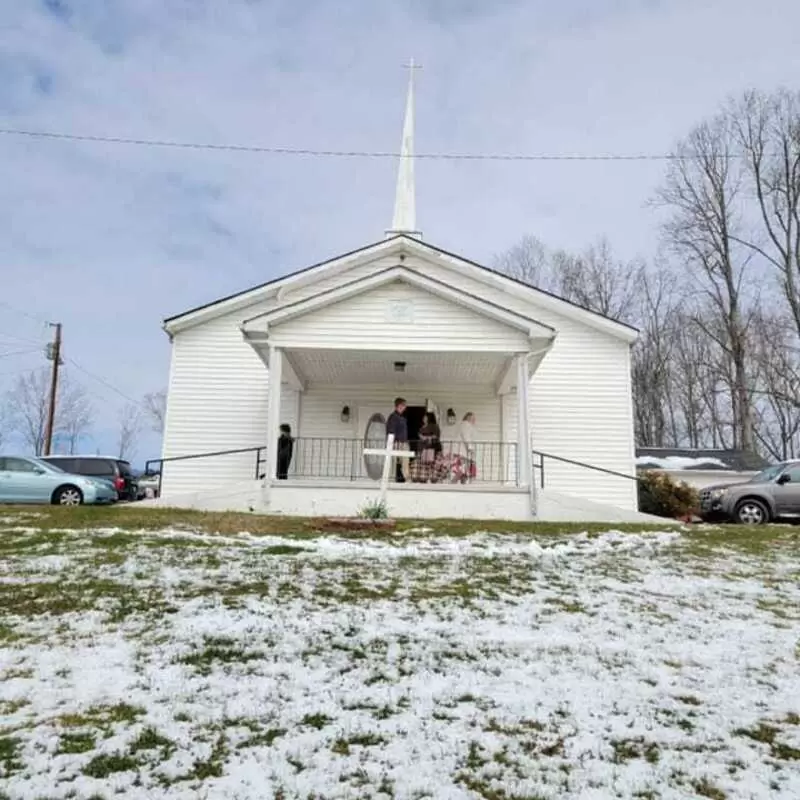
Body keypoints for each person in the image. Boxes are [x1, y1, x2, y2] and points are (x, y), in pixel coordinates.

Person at [386, 397, 408, 483]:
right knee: (397, 462)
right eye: (403, 405)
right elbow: (391, 430)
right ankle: (395, 480)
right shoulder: (393, 417)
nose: (405, 407)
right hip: (397, 442)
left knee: (403, 463)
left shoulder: (402, 418)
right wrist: (394, 443)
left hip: (403, 442)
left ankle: (404, 479)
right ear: (398, 406)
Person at [418, 412, 442, 483]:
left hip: (432, 448)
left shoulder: (434, 426)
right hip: (424, 448)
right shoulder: (422, 427)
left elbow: (435, 436)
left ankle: (432, 479)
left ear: (429, 418)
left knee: (431, 464)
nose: (423, 418)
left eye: (425, 417)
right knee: (424, 464)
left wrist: (425, 437)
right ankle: (424, 479)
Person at [459, 412, 477, 482]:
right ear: (468, 418)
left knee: (466, 469)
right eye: (472, 418)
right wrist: (470, 448)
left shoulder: (466, 425)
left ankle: (467, 483)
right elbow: (466, 437)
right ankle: (467, 484)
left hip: (466, 452)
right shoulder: (466, 425)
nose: (474, 420)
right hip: (465, 451)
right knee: (466, 469)